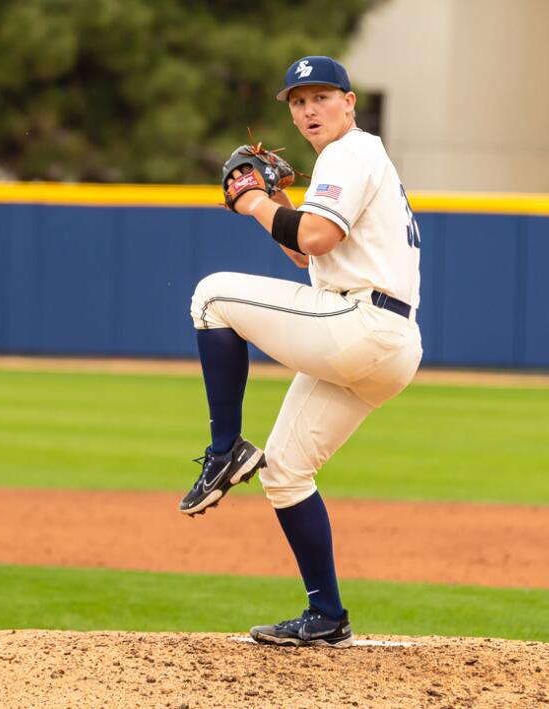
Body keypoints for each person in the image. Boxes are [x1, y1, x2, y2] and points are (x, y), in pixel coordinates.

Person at [179, 55, 423, 648]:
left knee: (211, 297)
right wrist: (271, 203)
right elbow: (309, 250)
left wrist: (254, 203)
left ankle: (224, 449)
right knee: (286, 472)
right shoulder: (361, 161)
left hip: (360, 324)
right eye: (297, 101)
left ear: (350, 101)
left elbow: (314, 236)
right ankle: (327, 615)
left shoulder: (350, 154)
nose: (309, 109)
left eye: (321, 96)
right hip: (384, 340)